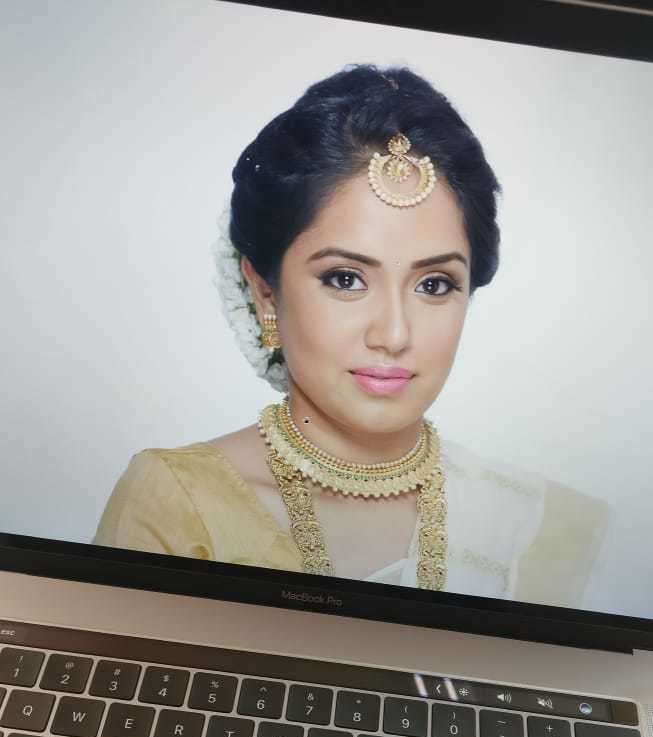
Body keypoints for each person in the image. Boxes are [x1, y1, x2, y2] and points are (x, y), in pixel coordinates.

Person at [94, 64, 610, 606]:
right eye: (345, 279)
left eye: (434, 284)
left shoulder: (553, 529)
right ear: (265, 292)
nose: (394, 334)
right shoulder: (179, 504)